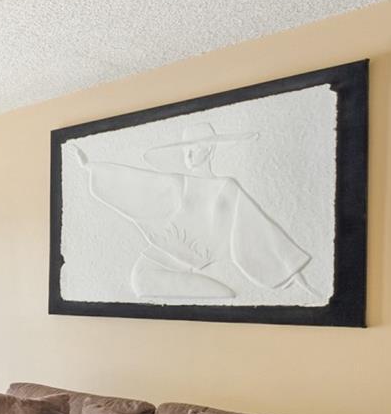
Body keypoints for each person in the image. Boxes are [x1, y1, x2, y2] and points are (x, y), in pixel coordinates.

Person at [68, 122, 317, 300]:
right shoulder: (177, 183)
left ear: (208, 150)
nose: (188, 154)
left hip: (189, 267)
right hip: (152, 268)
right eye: (185, 149)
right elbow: (133, 181)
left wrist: (291, 271)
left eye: (194, 147)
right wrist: (92, 167)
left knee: (226, 293)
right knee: (219, 293)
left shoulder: (226, 188)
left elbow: (258, 229)